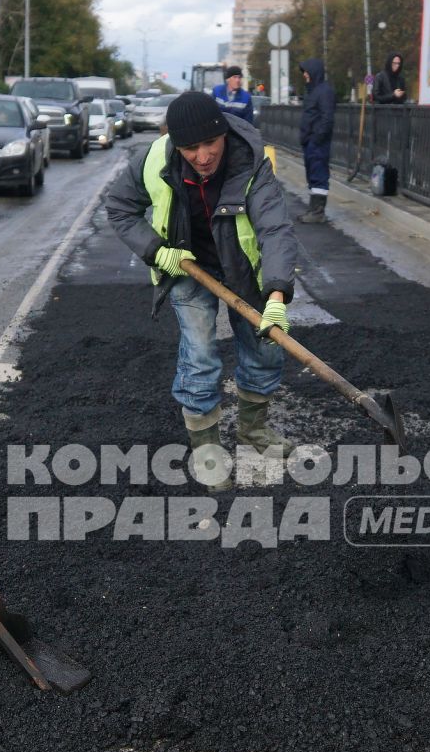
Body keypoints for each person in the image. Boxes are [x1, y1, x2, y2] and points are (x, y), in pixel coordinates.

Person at [104, 92, 298, 490]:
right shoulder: (152, 160)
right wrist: (159, 253)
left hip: (243, 268)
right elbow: (120, 208)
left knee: (264, 347)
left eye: (210, 143)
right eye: (190, 148)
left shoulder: (251, 161)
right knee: (200, 353)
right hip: (187, 265)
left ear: (224, 133)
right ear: (176, 144)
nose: (203, 155)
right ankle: (207, 448)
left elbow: (275, 228)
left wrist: (276, 294)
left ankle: (253, 431)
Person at [296, 58, 335, 223]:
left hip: (317, 143)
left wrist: (317, 138)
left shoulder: (324, 91)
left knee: (319, 175)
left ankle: (318, 212)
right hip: (311, 142)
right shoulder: (313, 90)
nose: (305, 74)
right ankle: (314, 209)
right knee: (313, 175)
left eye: (306, 71)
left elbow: (327, 118)